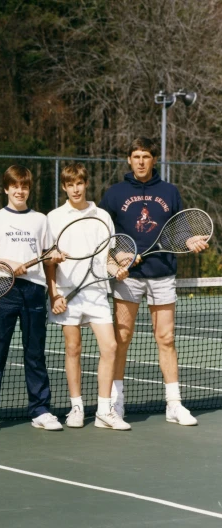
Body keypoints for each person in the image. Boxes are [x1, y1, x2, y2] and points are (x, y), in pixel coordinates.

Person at [99, 137, 209, 425]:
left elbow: (179, 231)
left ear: (153, 159)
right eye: (135, 156)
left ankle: (174, 405)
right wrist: (116, 255)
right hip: (128, 278)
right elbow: (101, 234)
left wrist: (191, 240)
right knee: (122, 339)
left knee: (166, 338)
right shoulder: (114, 194)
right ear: (128, 160)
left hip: (162, 274)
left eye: (145, 156)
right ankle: (116, 403)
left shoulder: (169, 192)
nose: (140, 161)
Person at [0, 165, 63, 433]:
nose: (20, 191)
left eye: (24, 186)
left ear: (29, 189)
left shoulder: (40, 220)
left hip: (34, 290)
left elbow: (49, 259)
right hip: (3, 288)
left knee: (35, 353)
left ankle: (40, 410)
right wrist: (8, 263)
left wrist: (54, 280)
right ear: (6, 188)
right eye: (15, 186)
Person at [45, 163, 131, 430]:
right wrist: (54, 294)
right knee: (73, 349)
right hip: (67, 294)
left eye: (79, 183)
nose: (75, 189)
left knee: (111, 347)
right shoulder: (54, 217)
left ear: (86, 184)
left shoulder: (102, 215)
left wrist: (116, 269)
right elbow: (49, 262)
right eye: (70, 185)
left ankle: (104, 410)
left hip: (96, 293)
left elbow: (106, 257)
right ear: (64, 187)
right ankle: (76, 407)